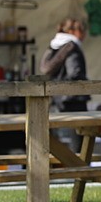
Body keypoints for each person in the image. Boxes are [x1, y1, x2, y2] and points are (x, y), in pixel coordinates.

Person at [41, 17, 89, 150]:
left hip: (56, 100)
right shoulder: (72, 47)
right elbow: (75, 73)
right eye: (82, 31)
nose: (84, 35)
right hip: (73, 101)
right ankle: (78, 169)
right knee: (78, 143)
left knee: (59, 143)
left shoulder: (55, 45)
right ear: (74, 31)